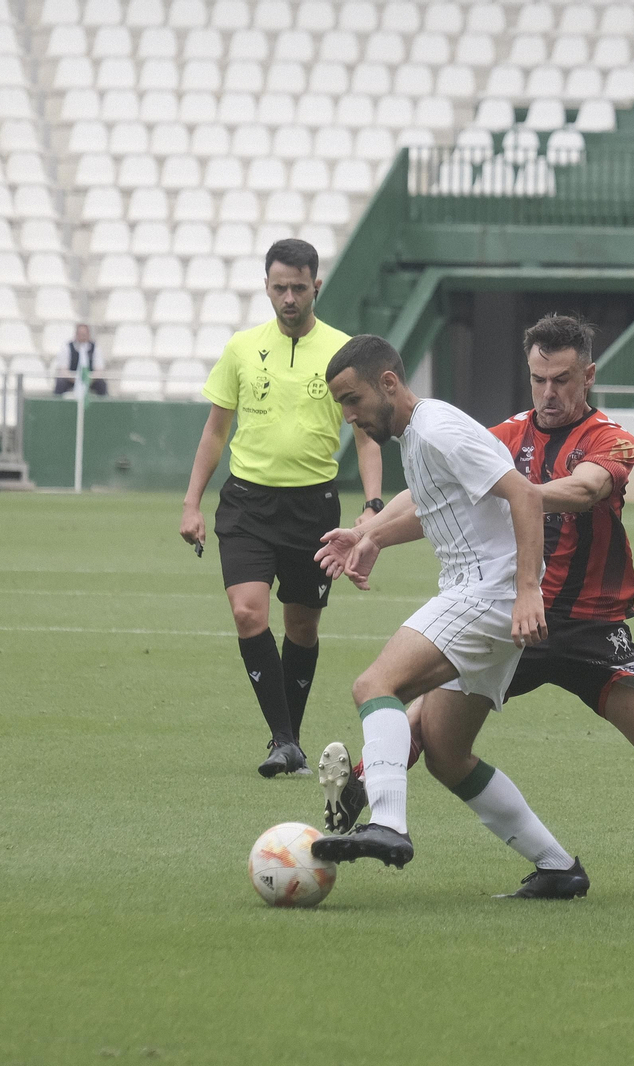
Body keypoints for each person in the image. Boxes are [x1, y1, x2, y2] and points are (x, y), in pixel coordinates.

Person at [315, 314, 634, 897]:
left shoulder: (611, 439)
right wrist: (371, 532)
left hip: (585, 624)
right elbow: (435, 493)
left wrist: (511, 492)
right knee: (436, 736)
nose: (548, 393)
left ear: (588, 376)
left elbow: (584, 490)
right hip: (517, 618)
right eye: (538, 380)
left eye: (561, 380)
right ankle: (380, 796)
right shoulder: (506, 435)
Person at [309, 335, 588, 899]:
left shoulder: (438, 429)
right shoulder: (417, 435)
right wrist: (369, 536)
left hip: (487, 593)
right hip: (486, 595)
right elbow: (436, 510)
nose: (349, 416)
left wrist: (527, 593)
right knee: (446, 752)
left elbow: (525, 496)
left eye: (352, 400)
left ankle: (388, 823)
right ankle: (558, 868)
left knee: (374, 685)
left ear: (389, 383)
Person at [179, 239, 383, 778]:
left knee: (302, 627)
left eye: (298, 287)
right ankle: (285, 740)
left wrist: (373, 506)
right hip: (247, 503)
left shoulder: (344, 353)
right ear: (266, 287)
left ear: (316, 285)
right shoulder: (242, 348)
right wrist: (191, 503)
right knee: (248, 612)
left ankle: (287, 743)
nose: (288, 297)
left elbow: (367, 436)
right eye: (279, 288)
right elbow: (215, 431)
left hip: (313, 508)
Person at [53, 324, 108, 396]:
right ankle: (57, 402)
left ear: (89, 335)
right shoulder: (67, 347)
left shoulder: (95, 348)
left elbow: (99, 369)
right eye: (80, 334)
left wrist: (89, 379)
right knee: (60, 382)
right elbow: (63, 369)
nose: (82, 337)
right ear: (76, 334)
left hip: (90, 379)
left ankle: (103, 402)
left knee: (101, 384)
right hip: (71, 378)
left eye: (84, 334)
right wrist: (75, 379)